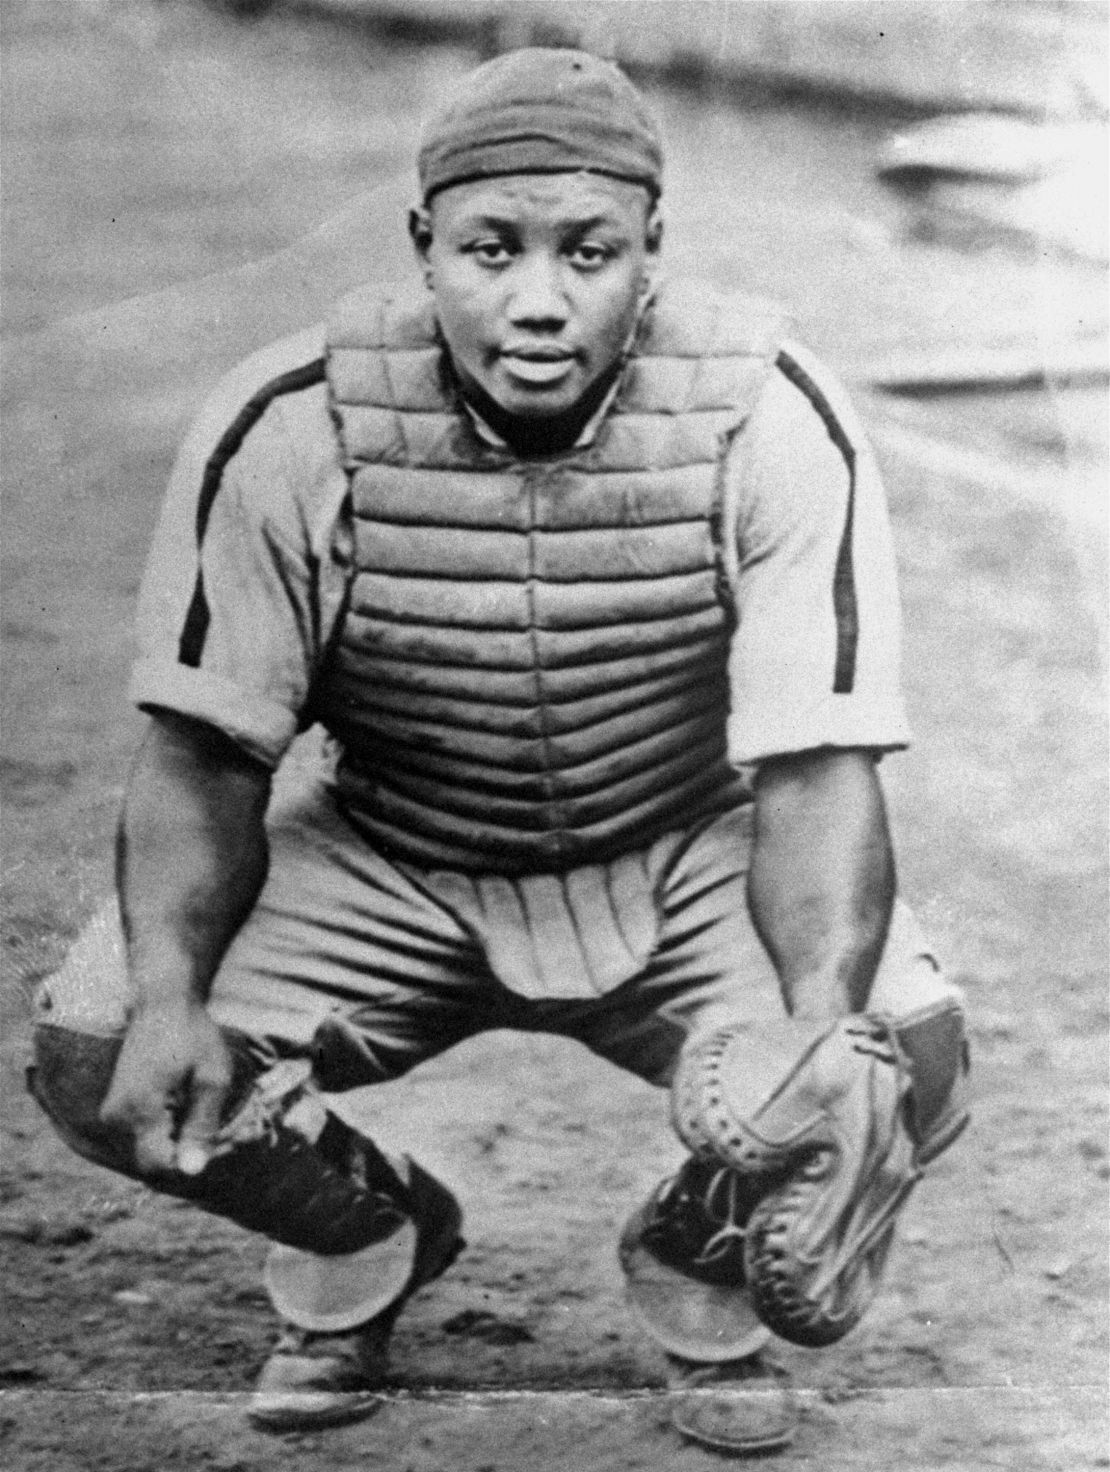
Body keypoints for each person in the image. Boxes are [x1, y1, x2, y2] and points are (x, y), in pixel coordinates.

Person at [28, 48, 968, 1455]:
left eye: (587, 251)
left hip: (676, 849)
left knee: (904, 1052)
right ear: (424, 248)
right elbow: (205, 754)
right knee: (101, 1045)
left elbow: (815, 766)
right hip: (394, 851)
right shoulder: (292, 422)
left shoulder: (770, 410)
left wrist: (814, 1022)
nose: (538, 298)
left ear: (651, 250)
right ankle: (363, 1237)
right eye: (490, 248)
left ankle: (696, 1268)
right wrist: (174, 989)